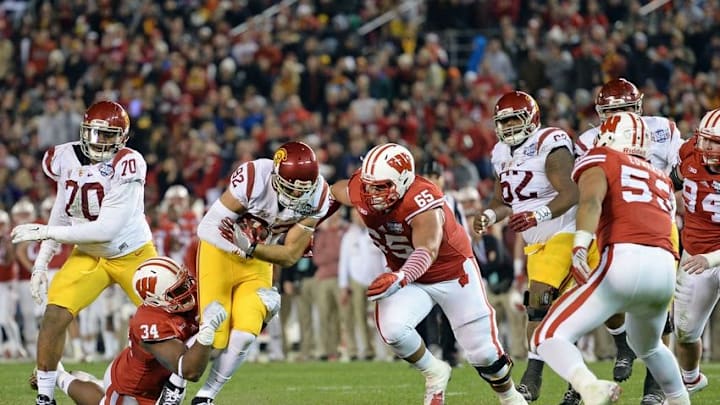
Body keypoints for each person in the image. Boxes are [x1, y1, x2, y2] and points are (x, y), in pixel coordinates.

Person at [330, 143, 527, 405]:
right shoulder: (361, 189)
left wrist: (400, 278)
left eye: (381, 186)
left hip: (452, 273)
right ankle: (435, 371)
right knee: (393, 330)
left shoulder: (423, 198)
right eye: (369, 185)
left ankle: (510, 396)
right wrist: (308, 224)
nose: (371, 194)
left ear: (403, 181)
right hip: (408, 274)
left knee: (484, 355)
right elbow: (331, 193)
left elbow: (427, 250)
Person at [533, 111, 689, 405]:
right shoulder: (661, 178)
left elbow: (591, 200)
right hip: (664, 269)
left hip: (623, 260)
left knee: (546, 335)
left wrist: (581, 244)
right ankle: (680, 400)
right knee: (651, 347)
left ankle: (590, 387)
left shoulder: (603, 157)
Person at [10, 100, 159, 405]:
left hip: (132, 253)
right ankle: (45, 396)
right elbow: (63, 210)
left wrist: (45, 233)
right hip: (89, 255)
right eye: (94, 133)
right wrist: (41, 261)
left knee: (166, 325)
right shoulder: (63, 156)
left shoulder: (129, 163)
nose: (98, 141)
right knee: (54, 316)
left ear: (123, 138)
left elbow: (106, 229)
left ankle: (170, 390)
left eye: (107, 135)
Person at [474, 90, 599, 402]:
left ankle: (534, 375)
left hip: (565, 231)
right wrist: (489, 215)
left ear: (531, 118)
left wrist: (538, 213)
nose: (509, 127)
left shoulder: (549, 141)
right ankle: (577, 383)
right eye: (503, 121)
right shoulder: (500, 152)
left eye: (515, 119)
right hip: (535, 243)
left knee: (539, 305)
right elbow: (504, 199)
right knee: (545, 314)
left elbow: (570, 192)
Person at [191, 140, 330, 404]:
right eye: (290, 188)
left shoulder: (320, 196)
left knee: (245, 333)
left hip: (258, 259)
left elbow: (289, 255)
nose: (296, 197)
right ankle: (173, 384)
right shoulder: (255, 177)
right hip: (220, 252)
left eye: (304, 190)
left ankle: (206, 397)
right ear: (277, 177)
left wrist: (252, 249)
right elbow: (206, 228)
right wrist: (241, 247)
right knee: (214, 339)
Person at [575, 77, 683, 405]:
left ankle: (654, 388)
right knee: (607, 295)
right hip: (614, 223)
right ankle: (622, 344)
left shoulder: (663, 128)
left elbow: (681, 171)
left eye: (624, 109)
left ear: (637, 106)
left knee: (659, 310)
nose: (619, 116)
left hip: (659, 221)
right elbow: (589, 193)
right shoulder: (588, 140)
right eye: (613, 111)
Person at [33, 256, 227, 405]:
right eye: (177, 291)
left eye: (184, 283)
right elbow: (190, 370)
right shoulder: (149, 321)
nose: (187, 292)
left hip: (158, 375)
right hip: (132, 387)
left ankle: (86, 380)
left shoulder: (181, 301)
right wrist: (207, 331)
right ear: (154, 298)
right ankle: (60, 376)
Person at [672, 107, 720, 397]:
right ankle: (690, 379)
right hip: (695, 253)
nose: (707, 147)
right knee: (685, 331)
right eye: (705, 139)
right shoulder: (690, 151)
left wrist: (711, 259)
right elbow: (671, 180)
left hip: (709, 257)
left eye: (716, 142)